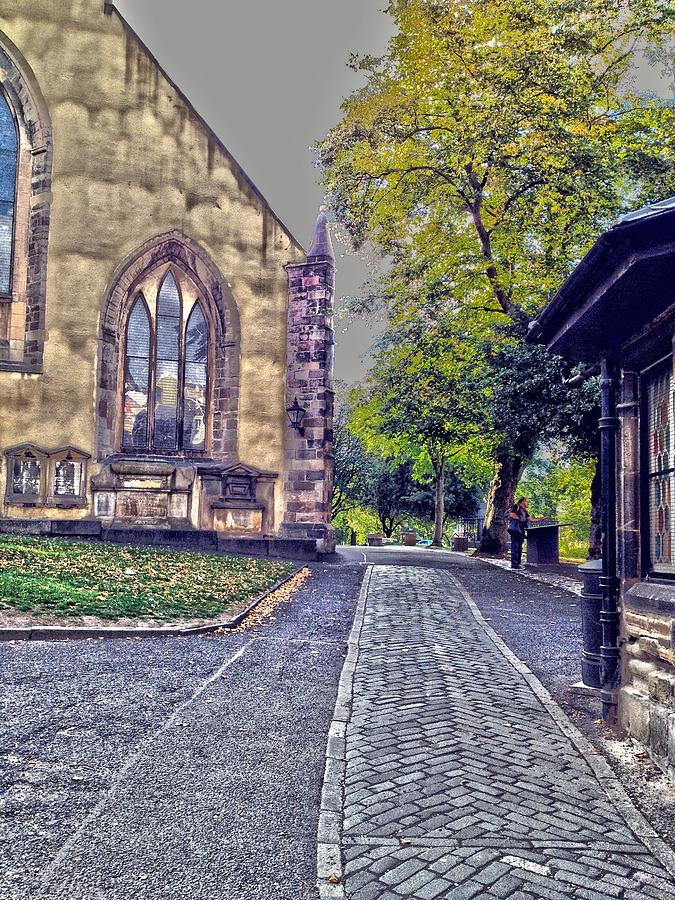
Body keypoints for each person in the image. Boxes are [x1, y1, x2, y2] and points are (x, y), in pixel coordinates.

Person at [508, 497, 529, 569]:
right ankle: (514, 564)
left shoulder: (525, 511)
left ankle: (518, 563)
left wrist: (541, 519)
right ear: (522, 502)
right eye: (527, 501)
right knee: (515, 547)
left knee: (520, 548)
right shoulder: (516, 507)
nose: (527, 503)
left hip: (521, 531)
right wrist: (519, 519)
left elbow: (530, 519)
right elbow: (511, 514)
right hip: (515, 530)